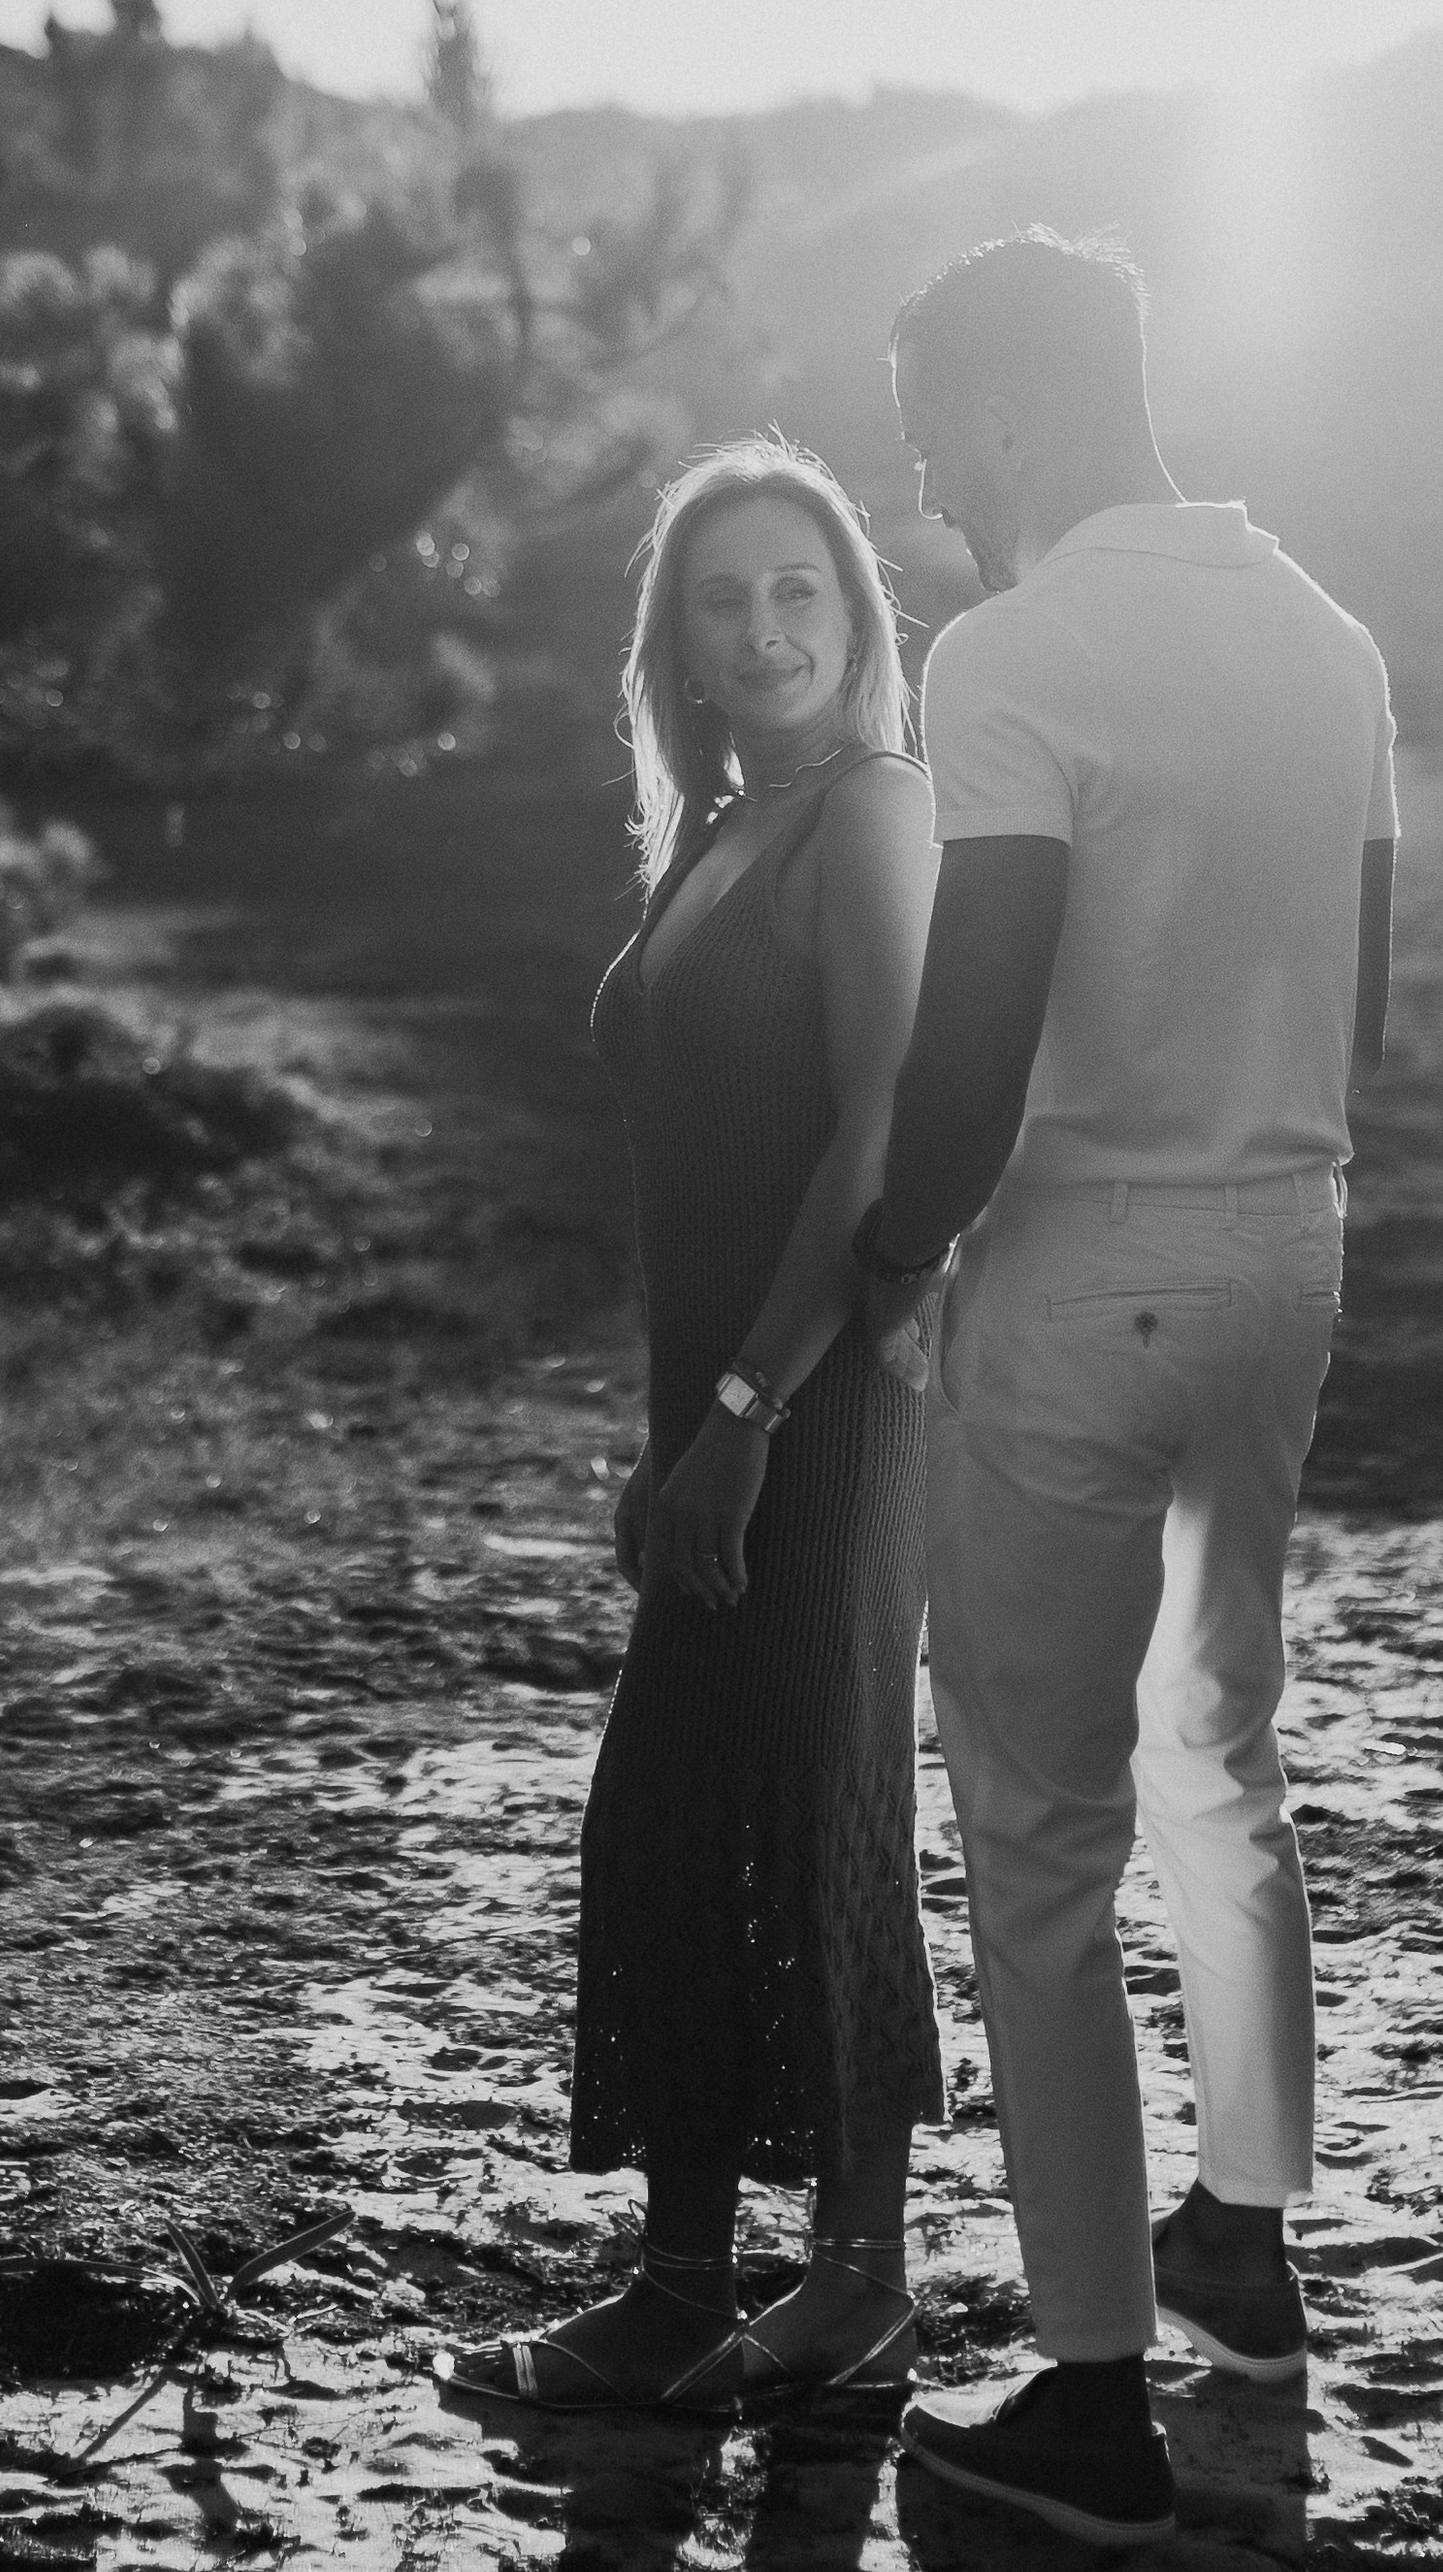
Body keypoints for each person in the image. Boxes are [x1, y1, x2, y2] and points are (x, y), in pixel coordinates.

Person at [846, 232, 1397, 2550]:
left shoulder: (1013, 655)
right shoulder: (1329, 637)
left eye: (928, 441)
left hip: (1083, 1287)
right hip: (1285, 1253)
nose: (925, 493)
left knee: (1038, 1828)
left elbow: (964, 1065)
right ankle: (1238, 2245)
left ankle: (1085, 2390)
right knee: (1223, 1753)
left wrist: (874, 1273)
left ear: (1005, 417)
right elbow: (1358, 1007)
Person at [441, 436, 945, 2415]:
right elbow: (702, 1168)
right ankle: (677, 2284)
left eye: (797, 591)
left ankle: (857, 2288)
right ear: (680, 642)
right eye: (722, 599)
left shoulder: (875, 812)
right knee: (669, 1814)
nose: (764, 627)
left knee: (820, 1805)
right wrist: (669, 1438)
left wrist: (744, 1415)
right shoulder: (718, 834)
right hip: (713, 1410)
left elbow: (875, 1138)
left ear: (850, 617)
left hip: (819, 1411)